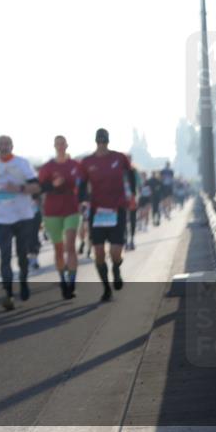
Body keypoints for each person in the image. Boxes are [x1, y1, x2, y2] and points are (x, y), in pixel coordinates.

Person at [79, 129, 136, 302]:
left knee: (116, 252)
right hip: (97, 212)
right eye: (99, 142)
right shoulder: (87, 162)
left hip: (117, 209)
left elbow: (131, 174)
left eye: (104, 142)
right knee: (98, 253)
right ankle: (106, 288)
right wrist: (82, 200)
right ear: (96, 142)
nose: (102, 145)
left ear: (108, 142)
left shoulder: (119, 158)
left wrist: (132, 194)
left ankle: (116, 270)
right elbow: (82, 184)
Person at [0, 136, 41, 310]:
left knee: (22, 254)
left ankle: (24, 282)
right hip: (1, 217)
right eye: (1, 145)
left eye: (7, 144)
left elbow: (36, 187)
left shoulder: (22, 163)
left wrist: (18, 188)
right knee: (4, 255)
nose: (3, 147)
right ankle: (8, 293)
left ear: (12, 146)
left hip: (23, 215)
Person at [37, 136, 84, 299]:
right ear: (54, 146)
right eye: (57, 144)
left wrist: (85, 199)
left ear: (67, 145)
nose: (60, 146)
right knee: (58, 249)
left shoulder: (76, 165)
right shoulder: (48, 167)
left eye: (63, 143)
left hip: (71, 209)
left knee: (70, 245)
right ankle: (63, 280)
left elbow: (84, 184)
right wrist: (53, 185)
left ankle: (72, 282)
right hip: (52, 211)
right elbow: (39, 187)